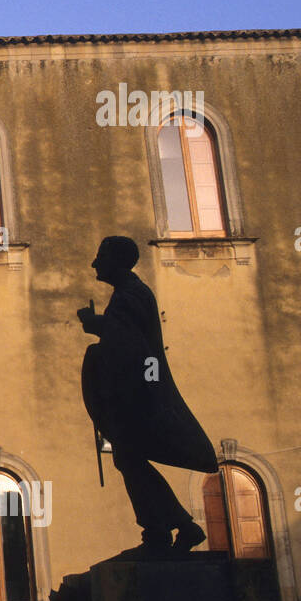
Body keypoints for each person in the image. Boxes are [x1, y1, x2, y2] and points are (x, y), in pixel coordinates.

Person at [78, 235, 217, 555]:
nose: (94, 263)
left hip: (136, 397)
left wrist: (94, 324)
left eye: (100, 257)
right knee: (130, 460)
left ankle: (164, 530)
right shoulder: (129, 295)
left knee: (129, 459)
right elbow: (123, 334)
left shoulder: (130, 296)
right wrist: (100, 326)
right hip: (136, 395)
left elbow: (129, 345)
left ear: (116, 261)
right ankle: (174, 527)